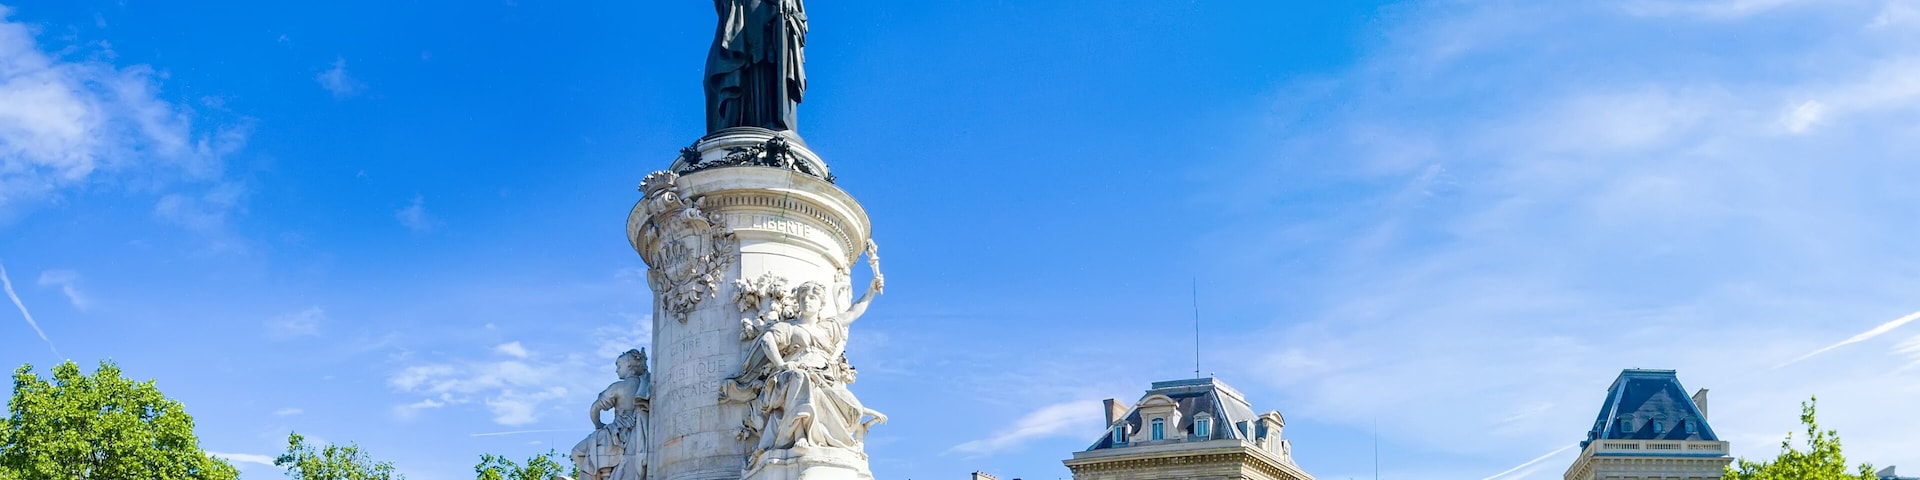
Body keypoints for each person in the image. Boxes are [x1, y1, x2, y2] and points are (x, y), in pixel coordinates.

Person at [572, 349, 651, 480]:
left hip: (616, 435)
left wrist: (598, 425)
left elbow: (594, 409)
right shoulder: (647, 384)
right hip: (639, 434)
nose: (616, 370)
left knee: (577, 452)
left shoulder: (618, 387)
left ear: (629, 366)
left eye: (619, 366)